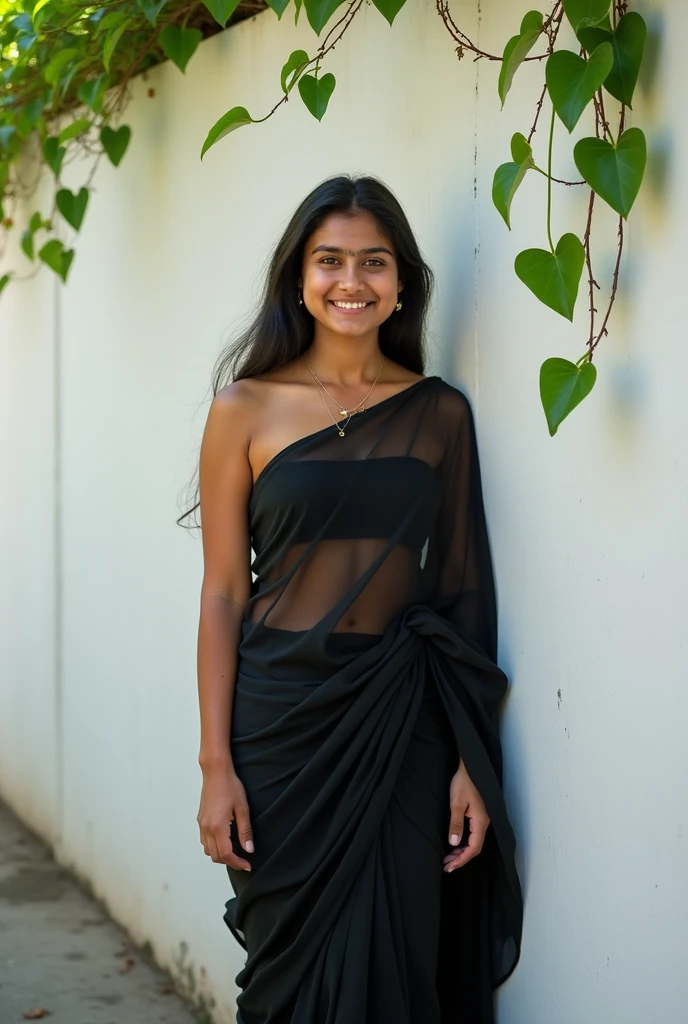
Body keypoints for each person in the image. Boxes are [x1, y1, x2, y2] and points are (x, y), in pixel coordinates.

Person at [181, 173, 523, 1024]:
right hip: (277, 729)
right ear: (298, 277)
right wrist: (216, 767)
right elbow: (224, 592)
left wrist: (468, 761)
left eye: (374, 262)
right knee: (289, 975)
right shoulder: (243, 410)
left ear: (402, 281)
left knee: (400, 961)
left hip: (401, 724)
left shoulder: (439, 413)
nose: (351, 281)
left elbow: (462, 592)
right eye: (329, 260)